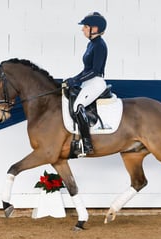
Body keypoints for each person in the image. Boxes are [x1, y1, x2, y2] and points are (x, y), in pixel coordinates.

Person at [66, 12, 108, 155]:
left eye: (85, 26)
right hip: (88, 82)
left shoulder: (100, 46)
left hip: (96, 83)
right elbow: (86, 70)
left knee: (78, 106)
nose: (82, 29)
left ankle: (86, 143)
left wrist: (76, 80)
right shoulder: (91, 44)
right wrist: (72, 79)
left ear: (94, 29)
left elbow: (95, 71)